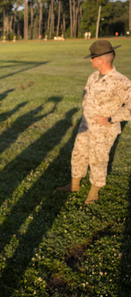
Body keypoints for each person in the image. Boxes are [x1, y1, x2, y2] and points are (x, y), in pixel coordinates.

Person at [56, 40, 131, 204]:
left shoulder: (121, 81)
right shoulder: (93, 76)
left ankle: (94, 191)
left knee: (98, 159)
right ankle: (74, 184)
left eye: (92, 58)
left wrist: (112, 118)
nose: (90, 60)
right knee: (78, 153)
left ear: (101, 60)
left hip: (104, 130)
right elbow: (86, 96)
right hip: (86, 126)